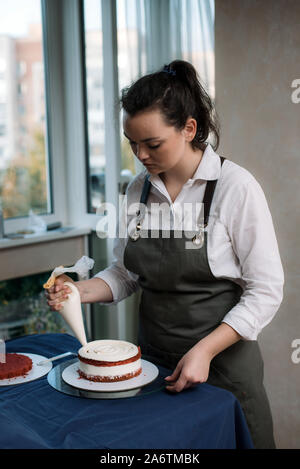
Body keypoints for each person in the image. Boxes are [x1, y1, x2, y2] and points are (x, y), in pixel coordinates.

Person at [45, 60, 284, 449]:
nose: (140, 154)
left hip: (222, 372)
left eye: (152, 144)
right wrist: (79, 290)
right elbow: (126, 274)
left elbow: (267, 291)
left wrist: (204, 351)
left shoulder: (234, 188)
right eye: (132, 143)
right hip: (152, 368)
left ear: (189, 128)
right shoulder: (137, 190)